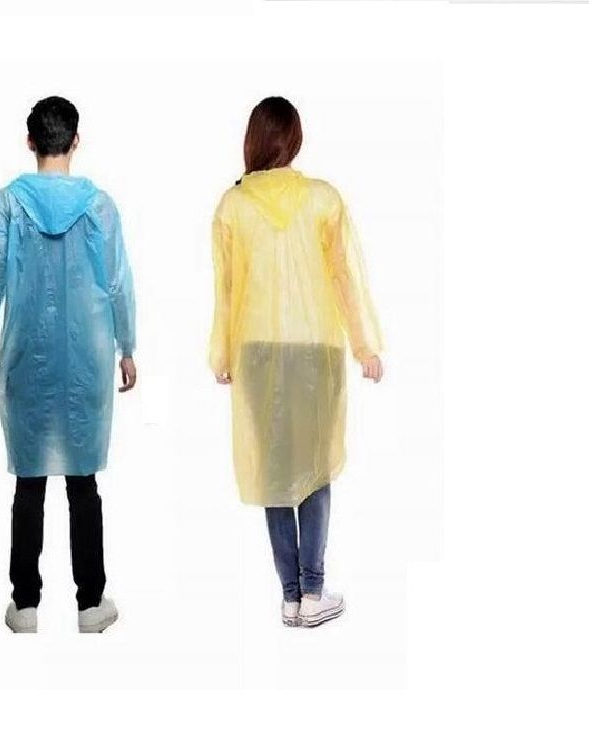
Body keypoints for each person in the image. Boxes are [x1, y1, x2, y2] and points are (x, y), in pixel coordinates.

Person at [0, 96, 136, 634]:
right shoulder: (100, 208)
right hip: (87, 359)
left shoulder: (6, 206)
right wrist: (128, 346)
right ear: (75, 140)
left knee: (29, 484)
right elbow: (117, 283)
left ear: (30, 141)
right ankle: (91, 604)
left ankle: (25, 606)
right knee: (83, 484)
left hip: (26, 356)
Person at [209, 96, 383, 628]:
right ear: (295, 138)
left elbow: (226, 288)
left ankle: (291, 596)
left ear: (254, 139)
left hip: (257, 351)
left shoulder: (233, 205)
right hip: (315, 349)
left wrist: (222, 352)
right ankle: (313, 592)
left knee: (274, 472)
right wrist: (365, 345)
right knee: (313, 469)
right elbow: (344, 276)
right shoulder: (323, 199)